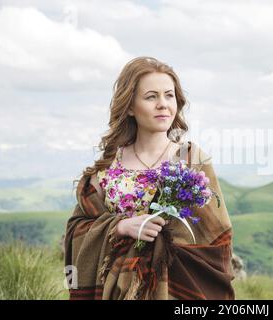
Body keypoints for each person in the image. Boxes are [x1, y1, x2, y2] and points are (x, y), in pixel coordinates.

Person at [64, 56, 235, 300]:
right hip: (117, 289)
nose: (163, 104)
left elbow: (216, 235)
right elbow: (77, 229)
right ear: (131, 106)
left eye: (169, 95)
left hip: (177, 290)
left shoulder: (191, 160)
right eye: (151, 97)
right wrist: (120, 227)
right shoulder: (108, 166)